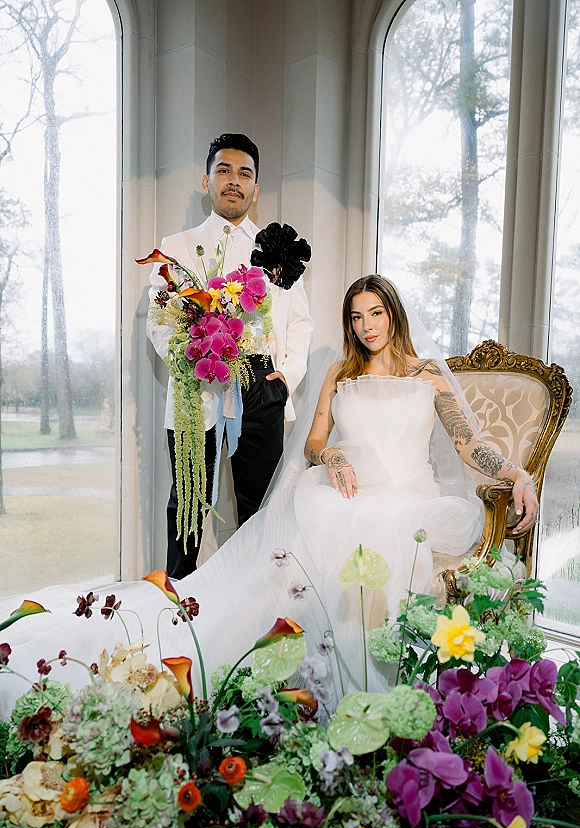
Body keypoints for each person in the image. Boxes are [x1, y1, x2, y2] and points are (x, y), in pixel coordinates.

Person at [0, 276, 538, 715]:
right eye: (356, 316)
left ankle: (375, 695)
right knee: (312, 519)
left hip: (407, 495)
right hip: (345, 486)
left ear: (393, 313)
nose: (366, 326)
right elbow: (314, 442)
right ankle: (296, 675)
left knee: (388, 531)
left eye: (375, 313)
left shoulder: (427, 377)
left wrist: (514, 471)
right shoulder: (339, 372)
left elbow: (469, 447)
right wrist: (333, 457)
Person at [146, 133, 314, 579]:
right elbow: (158, 320)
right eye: (224, 170)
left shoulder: (278, 248)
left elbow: (300, 323)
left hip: (261, 387)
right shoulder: (177, 246)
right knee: (186, 499)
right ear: (207, 180)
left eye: (244, 174)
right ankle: (177, 603)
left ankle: (255, 604)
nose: (233, 181)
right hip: (194, 385)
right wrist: (187, 352)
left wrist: (286, 377)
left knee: (261, 505)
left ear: (256, 189)